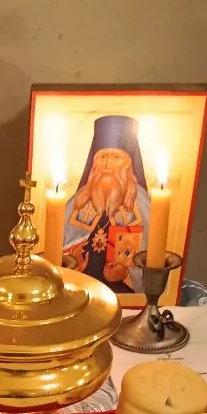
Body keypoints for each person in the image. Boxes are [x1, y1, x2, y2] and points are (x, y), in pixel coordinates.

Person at [63, 114, 149, 293]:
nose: (108, 164)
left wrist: (126, 275)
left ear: (128, 164)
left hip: (122, 296)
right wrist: (73, 265)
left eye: (116, 157)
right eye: (102, 157)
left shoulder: (142, 205)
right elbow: (59, 249)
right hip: (81, 292)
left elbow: (152, 263)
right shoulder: (79, 201)